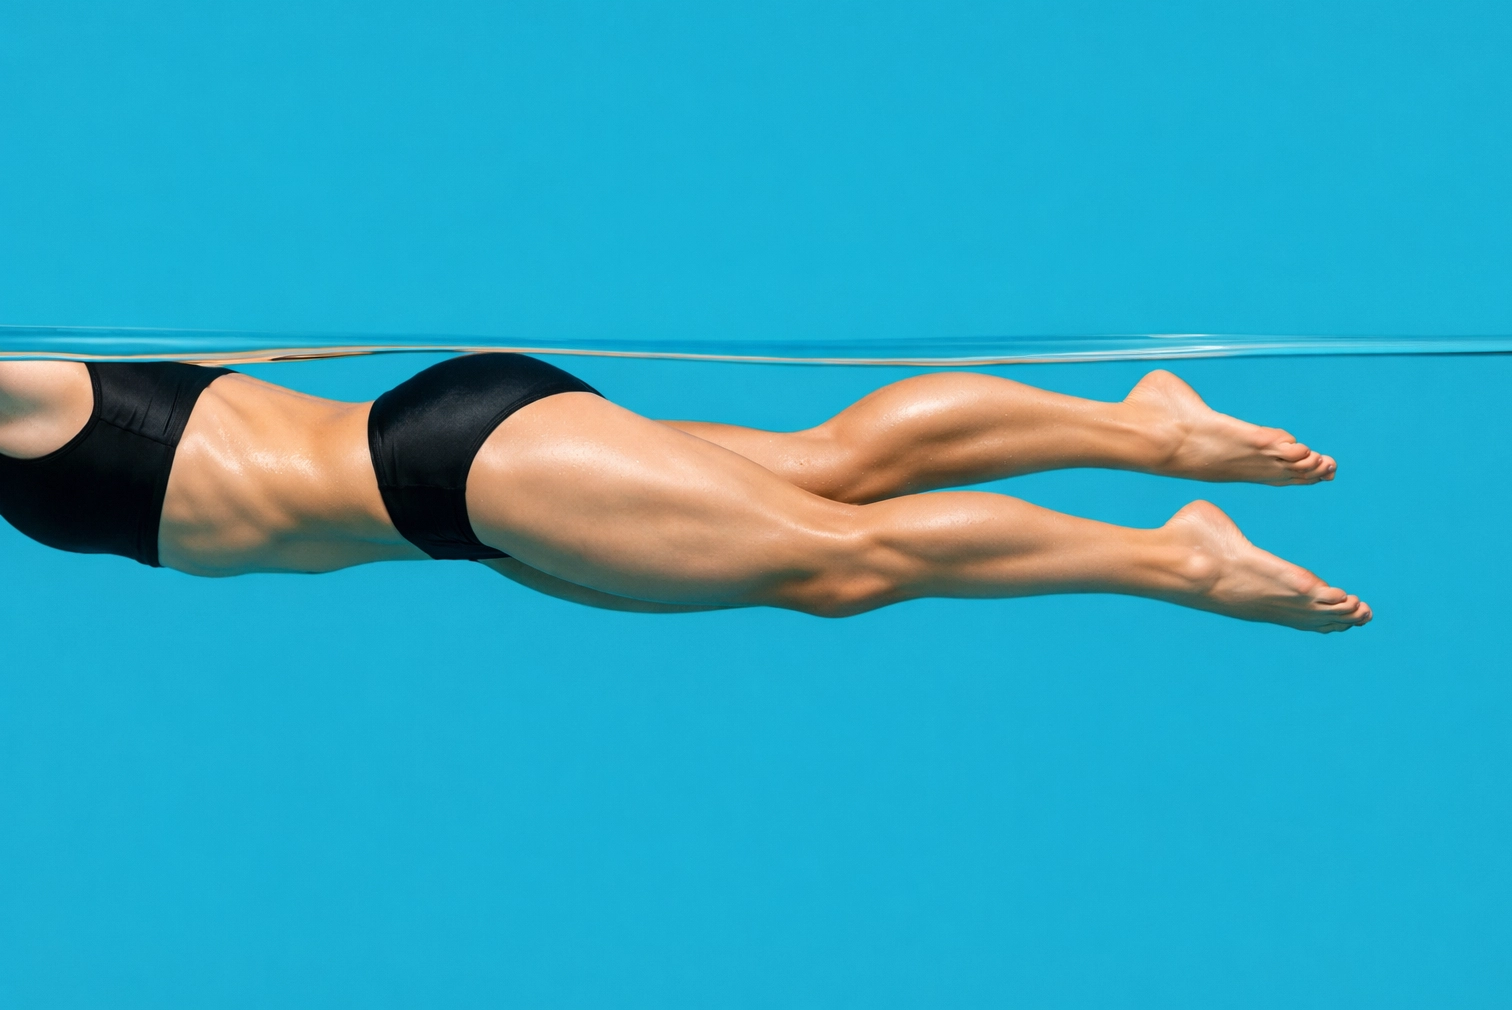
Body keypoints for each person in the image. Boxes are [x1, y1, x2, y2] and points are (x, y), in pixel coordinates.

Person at [0, 354, 1370, 631]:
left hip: (457, 472)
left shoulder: (30, 403)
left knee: (841, 563)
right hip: (466, 496)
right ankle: (1142, 425)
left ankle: (1175, 558)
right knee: (834, 467)